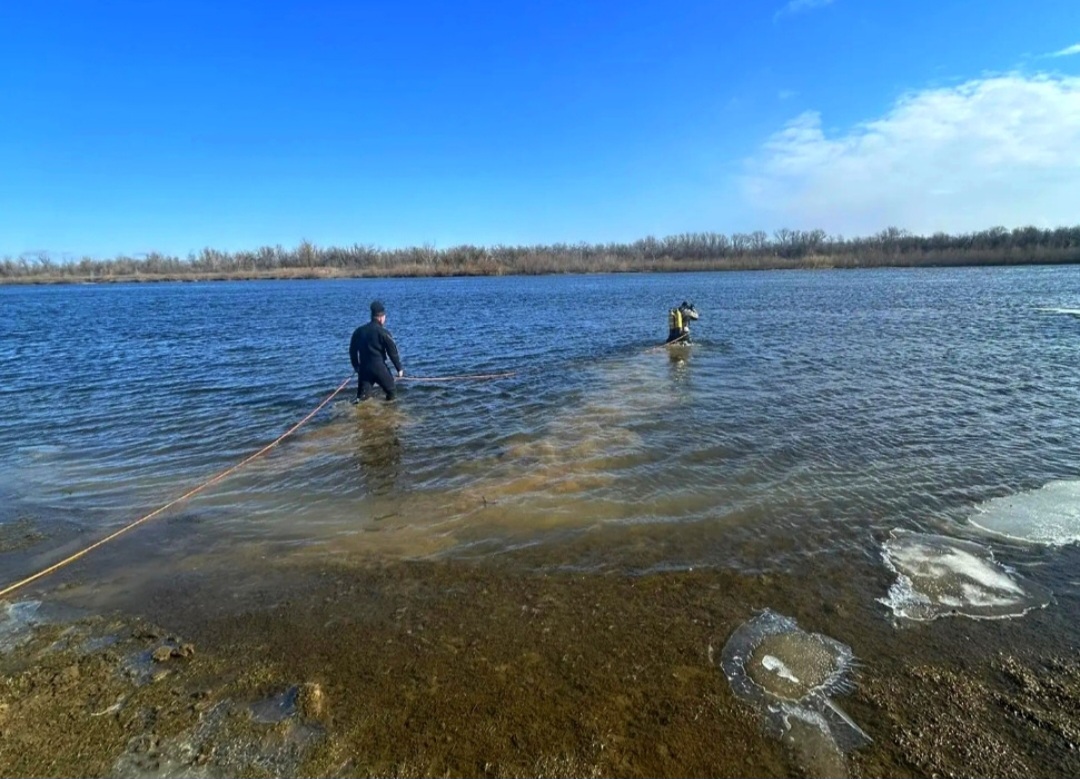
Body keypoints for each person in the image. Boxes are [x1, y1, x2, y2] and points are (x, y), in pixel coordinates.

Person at [350, 300, 404, 401]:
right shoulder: (383, 332)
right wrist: (399, 369)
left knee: (362, 399)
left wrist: (356, 366)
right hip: (379, 368)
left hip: (364, 370)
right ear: (381, 318)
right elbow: (392, 352)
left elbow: (352, 351)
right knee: (392, 392)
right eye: (384, 317)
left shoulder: (358, 331)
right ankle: (389, 412)